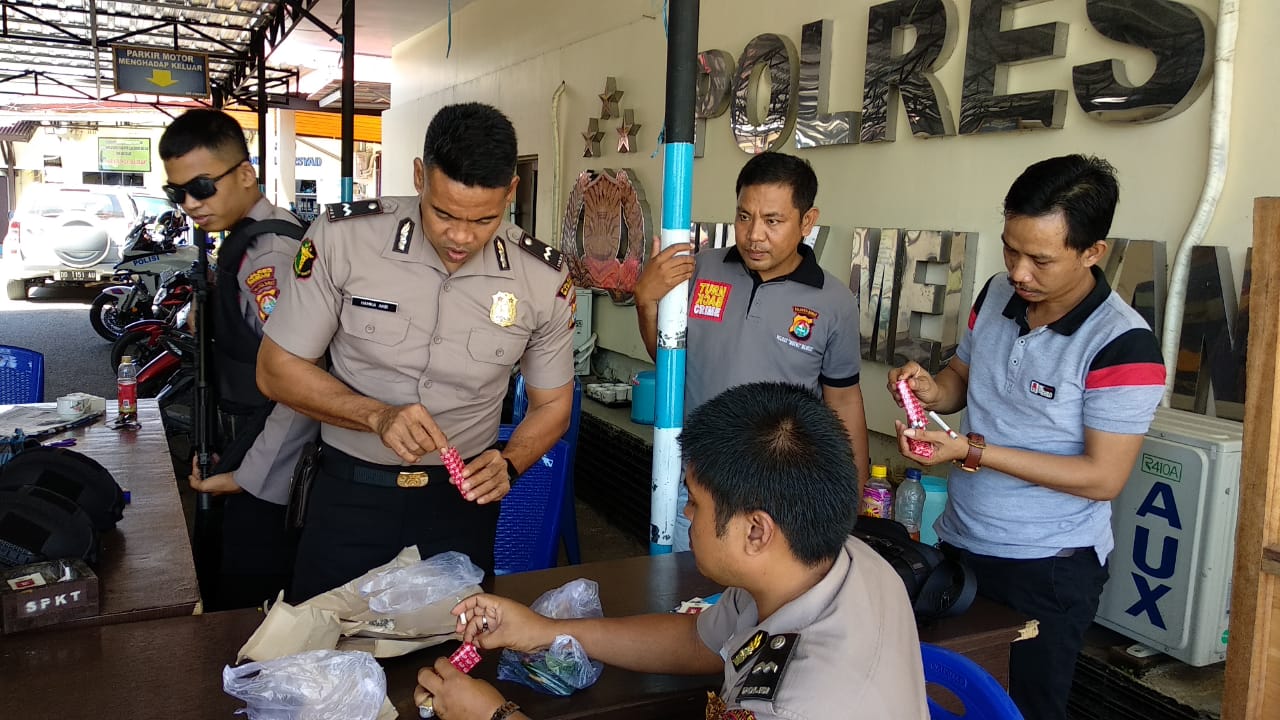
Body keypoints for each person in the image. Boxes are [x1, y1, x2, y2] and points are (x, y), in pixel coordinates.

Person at [413, 382, 928, 720]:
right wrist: (545, 631)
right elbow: (702, 641)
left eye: (696, 502)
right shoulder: (831, 565)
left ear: (756, 532)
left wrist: (494, 716)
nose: (686, 514)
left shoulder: (802, 704)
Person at [257, 102, 575, 602]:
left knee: (450, 663)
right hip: (350, 496)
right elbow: (277, 370)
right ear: (419, 176)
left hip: (460, 506)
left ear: (511, 192)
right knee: (320, 656)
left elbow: (554, 404)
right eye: (444, 213)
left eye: (485, 219)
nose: (461, 236)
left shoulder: (543, 278)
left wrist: (511, 462)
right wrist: (376, 416)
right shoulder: (344, 239)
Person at [889, 154, 1165, 720]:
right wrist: (929, 391)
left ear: (1093, 253)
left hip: (1048, 566)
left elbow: (1102, 477)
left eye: (1040, 259)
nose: (1019, 272)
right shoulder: (994, 294)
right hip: (962, 541)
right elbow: (962, 378)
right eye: (1010, 248)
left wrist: (971, 450)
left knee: (1023, 709)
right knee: (944, 697)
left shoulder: (1122, 345)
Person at [634, 151, 870, 551]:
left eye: (773, 221)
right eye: (744, 216)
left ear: (807, 221)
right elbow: (670, 363)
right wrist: (646, 302)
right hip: (696, 485)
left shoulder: (833, 301)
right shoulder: (698, 271)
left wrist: (854, 493)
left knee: (768, 610)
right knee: (686, 598)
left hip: (781, 494)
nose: (754, 234)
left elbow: (843, 399)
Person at [158, 109, 317, 609]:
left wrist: (251, 476)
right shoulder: (246, 241)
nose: (189, 203)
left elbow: (301, 382)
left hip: (270, 459)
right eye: (176, 192)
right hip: (252, 443)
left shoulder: (268, 254)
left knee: (248, 604)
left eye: (201, 187)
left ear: (245, 174)